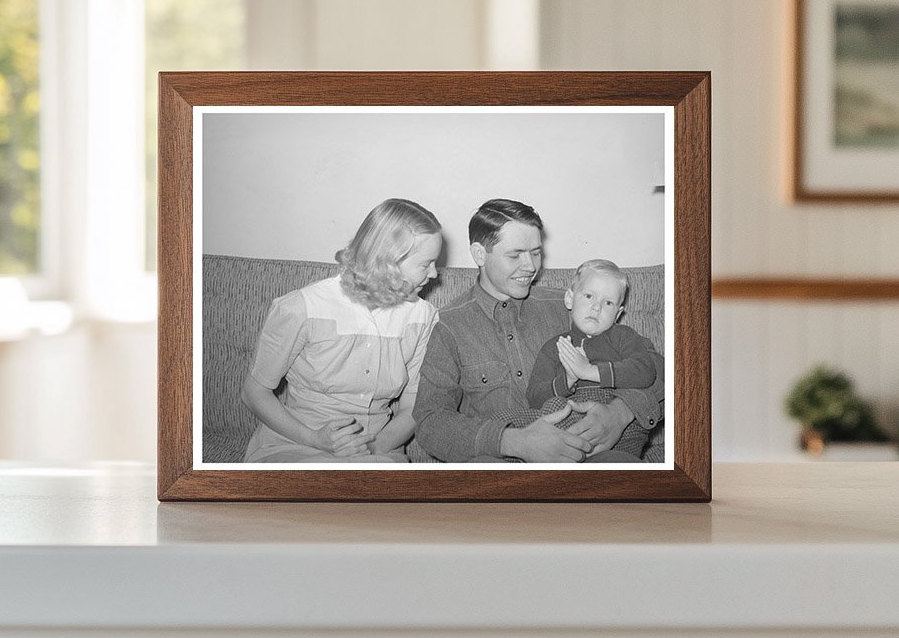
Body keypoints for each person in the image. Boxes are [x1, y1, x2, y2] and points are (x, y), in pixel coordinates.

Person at [412, 200, 662, 463]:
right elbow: (431, 422)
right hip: (502, 463)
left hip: (586, 455)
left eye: (535, 253)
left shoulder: (570, 306)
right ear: (479, 254)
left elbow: (656, 366)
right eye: (515, 255)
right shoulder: (450, 325)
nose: (531, 266)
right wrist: (514, 442)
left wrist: (621, 413)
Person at [241, 198, 441, 463]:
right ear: (388, 262)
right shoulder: (301, 308)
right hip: (295, 444)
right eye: (425, 264)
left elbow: (415, 405)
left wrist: (372, 448)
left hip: (376, 451)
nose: (434, 274)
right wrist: (313, 439)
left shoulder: (423, 318)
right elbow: (254, 392)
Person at [504, 258, 663, 460]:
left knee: (619, 453)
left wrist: (589, 371)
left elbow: (645, 371)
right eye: (589, 296)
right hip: (567, 414)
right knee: (508, 418)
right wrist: (567, 380)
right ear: (570, 299)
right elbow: (534, 397)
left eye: (608, 303)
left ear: (618, 314)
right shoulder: (555, 346)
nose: (597, 307)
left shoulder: (624, 336)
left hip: (617, 427)